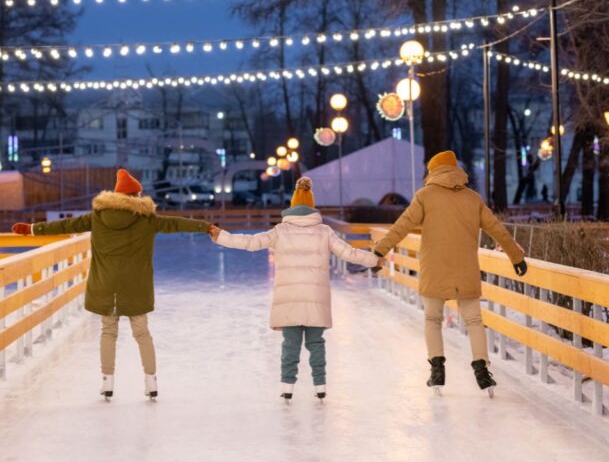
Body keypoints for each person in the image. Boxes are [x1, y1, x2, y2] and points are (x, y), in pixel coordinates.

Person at [12, 169, 216, 401]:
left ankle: (107, 382)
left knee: (108, 332)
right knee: (142, 333)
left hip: (106, 285)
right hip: (136, 286)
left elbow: (65, 225)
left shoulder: (97, 217)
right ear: (136, 195)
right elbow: (176, 224)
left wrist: (31, 229)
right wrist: (205, 227)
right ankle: (151, 382)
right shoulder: (147, 220)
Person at [208, 176, 379, 403]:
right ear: (312, 205)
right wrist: (374, 260)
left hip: (289, 298)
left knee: (291, 344)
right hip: (315, 298)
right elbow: (349, 253)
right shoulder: (324, 231)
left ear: (292, 205)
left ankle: (287, 385)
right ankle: (320, 385)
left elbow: (250, 242)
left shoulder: (280, 231)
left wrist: (222, 237)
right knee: (316, 343)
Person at [372, 150, 527, 397]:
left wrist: (379, 250)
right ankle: (482, 369)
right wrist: (516, 257)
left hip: (435, 270)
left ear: (433, 171)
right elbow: (497, 230)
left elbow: (402, 226)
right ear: (456, 170)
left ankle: (437, 369)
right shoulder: (473, 199)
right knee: (475, 321)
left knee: (433, 320)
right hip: (466, 271)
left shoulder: (425, 196)